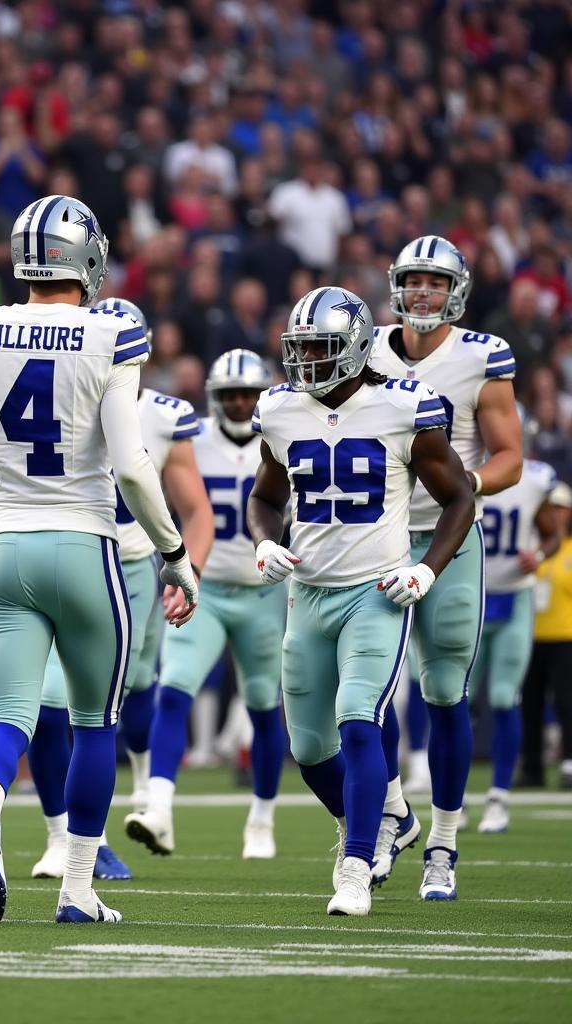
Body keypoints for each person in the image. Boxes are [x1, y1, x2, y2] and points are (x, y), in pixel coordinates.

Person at [0, 195, 198, 925]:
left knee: (7, 720)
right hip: (85, 544)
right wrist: (174, 554)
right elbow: (136, 469)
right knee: (94, 725)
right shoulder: (110, 332)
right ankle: (77, 891)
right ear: (86, 258)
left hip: (7, 546)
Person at [247, 286, 474, 916]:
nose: (306, 364)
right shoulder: (282, 410)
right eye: (299, 350)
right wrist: (266, 543)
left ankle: (354, 865)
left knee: (358, 720)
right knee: (308, 749)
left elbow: (460, 498)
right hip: (307, 593)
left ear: (352, 349)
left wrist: (428, 571)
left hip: (374, 592)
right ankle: (389, 819)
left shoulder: (405, 407)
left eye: (319, 349)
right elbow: (265, 498)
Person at [369, 235, 522, 899]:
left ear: (455, 289)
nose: (424, 293)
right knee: (368, 689)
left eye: (436, 282)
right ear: (396, 285)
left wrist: (469, 489)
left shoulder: (481, 357)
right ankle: (393, 812)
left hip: (451, 541)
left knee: (445, 695)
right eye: (414, 281)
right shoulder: (363, 346)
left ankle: (444, 842)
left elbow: (510, 455)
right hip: (375, 539)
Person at [125, 349, 286, 862]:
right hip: (207, 588)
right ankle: (160, 808)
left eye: (247, 394)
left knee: (264, 707)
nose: (239, 403)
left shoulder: (283, 438)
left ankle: (261, 818)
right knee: (174, 692)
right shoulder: (189, 437)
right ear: (214, 399)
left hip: (265, 593)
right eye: (230, 395)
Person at [468, 435, 563, 832]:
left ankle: (498, 798)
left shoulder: (536, 479)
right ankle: (451, 799)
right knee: (456, 699)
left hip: (513, 601)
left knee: (506, 697)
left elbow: (552, 535)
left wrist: (538, 556)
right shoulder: (465, 469)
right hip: (469, 597)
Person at [519, 482, 572, 790]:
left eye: (561, 507)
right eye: (550, 507)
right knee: (530, 705)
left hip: (566, 637)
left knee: (567, 703)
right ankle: (532, 766)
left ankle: (568, 762)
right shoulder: (529, 546)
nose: (555, 513)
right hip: (531, 635)